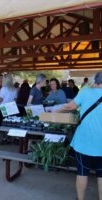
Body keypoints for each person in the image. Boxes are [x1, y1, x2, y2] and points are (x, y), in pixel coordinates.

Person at [57, 72, 102, 200]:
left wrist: (55, 111)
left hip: (84, 141)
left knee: (82, 172)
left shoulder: (86, 91)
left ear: (94, 81)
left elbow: (70, 106)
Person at [0, 74, 18, 144]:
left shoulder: (3, 89)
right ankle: (11, 138)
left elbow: (0, 100)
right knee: (10, 124)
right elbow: (15, 100)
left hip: (4, 107)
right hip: (12, 107)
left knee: (3, 124)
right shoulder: (14, 89)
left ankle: (5, 138)